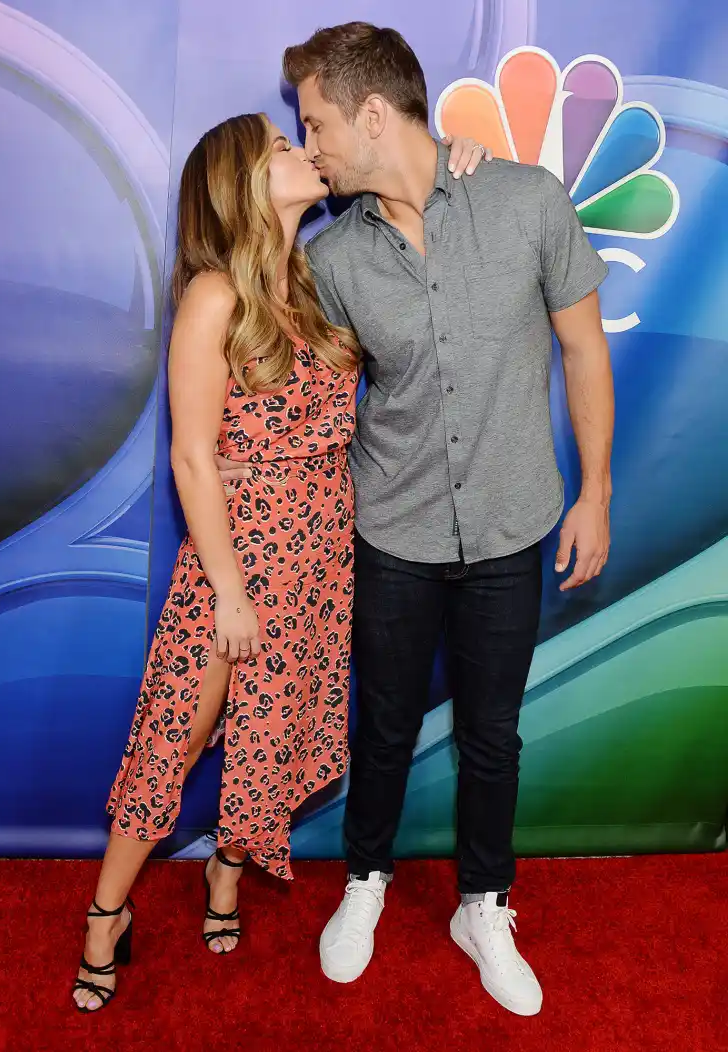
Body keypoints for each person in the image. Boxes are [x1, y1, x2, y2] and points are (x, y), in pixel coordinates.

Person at [71, 110, 488, 1013]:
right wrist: (227, 590)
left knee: (280, 734)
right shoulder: (215, 294)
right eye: (282, 147)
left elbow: (420, 214)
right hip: (240, 561)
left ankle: (227, 872)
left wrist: (462, 155)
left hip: (321, 559)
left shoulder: (312, 284)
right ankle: (106, 914)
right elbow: (191, 455)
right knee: (176, 744)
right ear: (243, 183)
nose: (304, 152)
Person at [275, 23, 614, 1017]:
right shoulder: (332, 259)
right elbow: (310, 391)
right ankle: (365, 879)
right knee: (379, 726)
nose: (310, 146)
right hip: (393, 532)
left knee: (493, 733)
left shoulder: (524, 201)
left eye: (316, 123)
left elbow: (584, 353)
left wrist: (593, 490)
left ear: (373, 113)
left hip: (513, 525)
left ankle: (482, 900)